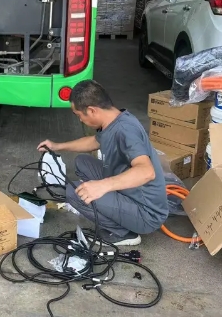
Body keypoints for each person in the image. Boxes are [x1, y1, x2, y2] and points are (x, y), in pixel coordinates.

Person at [37, 80, 167, 246]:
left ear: (92, 110)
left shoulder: (126, 130)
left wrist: (102, 186)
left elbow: (147, 172)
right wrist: (57, 146)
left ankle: (122, 234)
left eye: (79, 115)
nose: (80, 120)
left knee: (74, 192)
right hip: (129, 191)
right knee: (82, 162)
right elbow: (94, 141)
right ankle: (107, 205)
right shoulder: (114, 120)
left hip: (146, 213)